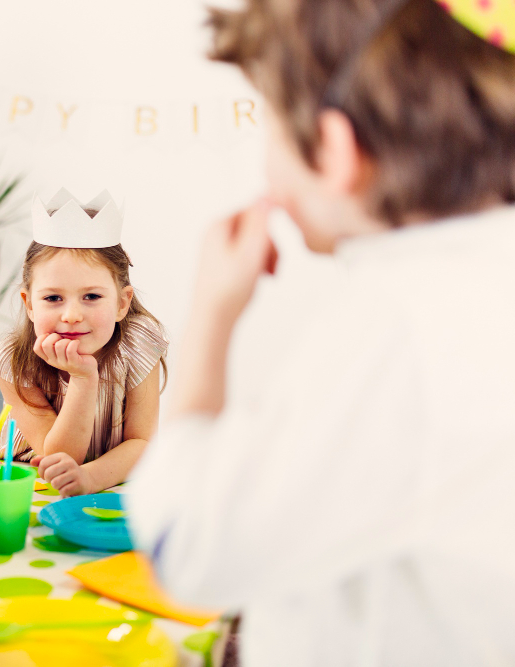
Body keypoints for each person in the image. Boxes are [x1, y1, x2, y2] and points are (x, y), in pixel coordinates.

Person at [126, 0, 515, 665]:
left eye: (268, 127)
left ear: (335, 152)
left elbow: (184, 543)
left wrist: (211, 317)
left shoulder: (398, 328)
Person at [0, 189, 168, 497]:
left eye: (92, 297)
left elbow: (142, 443)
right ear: (29, 304)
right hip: (32, 486)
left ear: (122, 303)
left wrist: (90, 479)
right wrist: (84, 379)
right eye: (53, 298)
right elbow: (61, 458)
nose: (72, 315)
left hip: (110, 483)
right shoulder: (12, 360)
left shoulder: (140, 343)